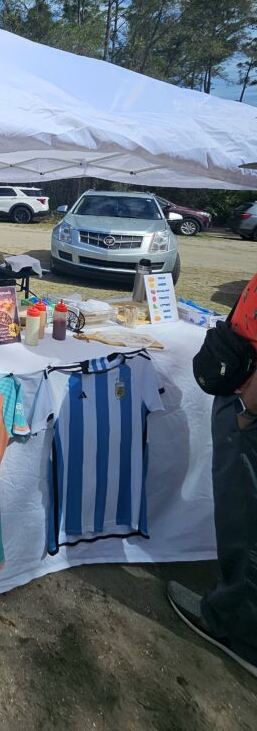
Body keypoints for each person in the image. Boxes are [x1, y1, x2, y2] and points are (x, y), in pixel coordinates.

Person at [167, 273, 257, 677]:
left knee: (245, 518)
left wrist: (247, 411)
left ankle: (233, 627)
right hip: (242, 383)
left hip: (249, 404)